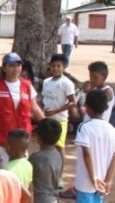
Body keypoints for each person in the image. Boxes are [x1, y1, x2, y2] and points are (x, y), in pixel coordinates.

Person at [0, 52, 45, 164]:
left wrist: (47, 125)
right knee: (4, 169)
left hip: (22, 138)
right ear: (4, 68)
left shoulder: (27, 85)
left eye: (18, 65)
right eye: (11, 65)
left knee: (19, 170)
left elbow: (35, 108)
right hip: (1, 137)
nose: (15, 69)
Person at [72, 89, 115, 202]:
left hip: (86, 183)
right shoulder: (112, 130)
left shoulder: (84, 127)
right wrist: (108, 180)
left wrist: (93, 177)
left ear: (87, 107)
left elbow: (86, 154)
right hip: (102, 182)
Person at [40, 53, 75, 185]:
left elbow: (72, 102)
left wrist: (56, 110)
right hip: (47, 119)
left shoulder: (67, 83)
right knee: (44, 145)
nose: (55, 68)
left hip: (60, 120)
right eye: (53, 66)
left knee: (59, 147)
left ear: (64, 67)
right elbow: (44, 99)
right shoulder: (46, 82)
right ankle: (46, 173)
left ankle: (59, 176)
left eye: (58, 66)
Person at [30, 118, 64, 203]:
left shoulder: (35, 158)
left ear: (38, 137)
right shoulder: (58, 155)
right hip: (53, 198)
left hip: (39, 200)